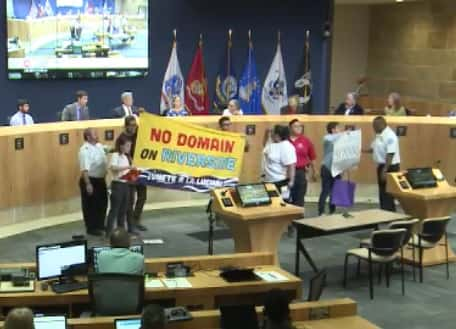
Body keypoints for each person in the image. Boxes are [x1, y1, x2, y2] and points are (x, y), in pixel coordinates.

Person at [118, 116, 148, 233]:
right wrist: (130, 160)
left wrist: (143, 115)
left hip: (140, 169)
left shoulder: (137, 133)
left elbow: (148, 127)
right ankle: (130, 224)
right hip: (129, 172)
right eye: (131, 125)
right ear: (126, 126)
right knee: (130, 199)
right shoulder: (122, 137)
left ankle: (136, 220)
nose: (134, 127)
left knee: (142, 197)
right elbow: (121, 153)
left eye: (135, 125)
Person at [364, 116, 401, 211]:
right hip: (382, 166)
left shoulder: (390, 136)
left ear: (382, 125)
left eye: (375, 126)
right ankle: (384, 211)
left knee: (388, 192)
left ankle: (390, 213)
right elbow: (373, 148)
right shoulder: (379, 135)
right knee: (382, 192)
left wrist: (385, 170)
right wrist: (361, 150)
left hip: (390, 167)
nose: (373, 128)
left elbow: (390, 153)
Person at [78, 128, 108, 236]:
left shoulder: (99, 146)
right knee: (91, 206)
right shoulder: (84, 150)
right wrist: (88, 184)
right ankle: (92, 228)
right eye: (94, 134)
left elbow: (108, 150)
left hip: (100, 180)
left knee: (102, 203)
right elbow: (84, 169)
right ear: (88, 137)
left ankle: (100, 225)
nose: (97, 135)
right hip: (90, 180)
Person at [106, 135, 133, 236]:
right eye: (127, 146)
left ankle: (121, 233)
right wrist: (127, 166)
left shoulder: (126, 157)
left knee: (123, 210)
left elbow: (126, 171)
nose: (129, 148)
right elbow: (113, 168)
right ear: (121, 146)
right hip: (117, 185)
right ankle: (108, 233)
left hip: (125, 185)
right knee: (114, 210)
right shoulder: (115, 155)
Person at [288, 119, 316, 207]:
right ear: (290, 128)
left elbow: (312, 157)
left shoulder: (305, 141)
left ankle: (298, 217)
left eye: (300, 126)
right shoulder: (285, 141)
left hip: (301, 172)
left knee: (299, 197)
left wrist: (315, 171)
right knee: (287, 197)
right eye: (296, 126)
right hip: (286, 173)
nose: (299, 128)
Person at [318, 122, 343, 216]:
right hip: (327, 168)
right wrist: (345, 134)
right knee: (325, 190)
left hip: (336, 168)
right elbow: (333, 138)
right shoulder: (327, 137)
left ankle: (332, 211)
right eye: (338, 128)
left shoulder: (339, 140)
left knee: (335, 191)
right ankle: (321, 211)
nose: (339, 130)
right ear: (333, 129)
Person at [263, 125, 296, 193]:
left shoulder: (286, 146)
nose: (271, 134)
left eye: (273, 132)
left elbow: (291, 165)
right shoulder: (272, 144)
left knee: (280, 202)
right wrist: (266, 133)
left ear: (277, 135)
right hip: (267, 180)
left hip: (279, 181)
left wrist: (291, 181)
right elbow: (264, 144)